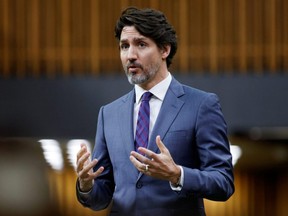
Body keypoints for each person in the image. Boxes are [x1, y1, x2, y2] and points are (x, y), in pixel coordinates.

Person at [76, 7, 234, 216]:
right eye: (124, 46)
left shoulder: (201, 105)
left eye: (141, 44)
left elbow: (223, 182)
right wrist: (86, 185)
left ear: (164, 50)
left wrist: (178, 174)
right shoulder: (108, 114)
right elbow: (101, 198)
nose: (130, 55)